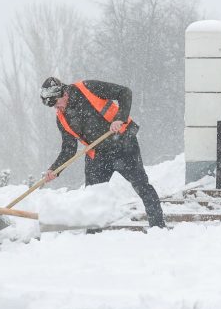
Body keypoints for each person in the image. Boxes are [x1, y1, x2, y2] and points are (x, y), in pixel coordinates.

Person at [40, 76, 165, 230]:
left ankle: (158, 228)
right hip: (97, 155)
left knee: (141, 185)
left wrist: (120, 118)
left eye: (56, 103)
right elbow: (69, 148)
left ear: (63, 93)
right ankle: (93, 238)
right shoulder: (61, 117)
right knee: (93, 197)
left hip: (123, 145)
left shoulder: (87, 88)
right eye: (52, 106)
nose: (57, 108)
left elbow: (124, 92)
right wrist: (55, 169)